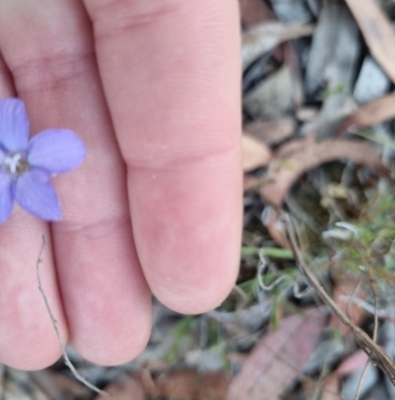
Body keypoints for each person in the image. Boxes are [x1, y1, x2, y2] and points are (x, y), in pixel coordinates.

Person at [0, 0, 242, 369]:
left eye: (15, 163)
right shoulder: (19, 172)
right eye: (13, 164)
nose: (14, 164)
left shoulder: (36, 154)